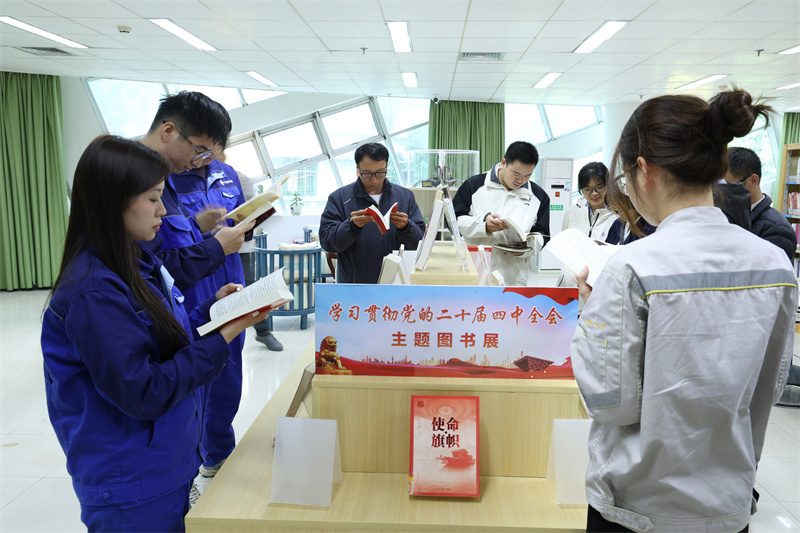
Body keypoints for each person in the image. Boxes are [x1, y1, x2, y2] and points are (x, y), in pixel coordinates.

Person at [571, 90, 796, 533]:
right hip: (727, 500)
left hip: (637, 506)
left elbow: (608, 401)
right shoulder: (774, 263)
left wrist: (590, 316)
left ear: (644, 170)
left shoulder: (634, 265)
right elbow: (768, 388)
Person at [41, 136, 268, 532]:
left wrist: (212, 312)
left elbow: (161, 336)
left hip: (163, 464)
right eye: (153, 198)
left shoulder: (134, 258)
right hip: (131, 481)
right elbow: (145, 390)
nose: (163, 210)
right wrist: (222, 336)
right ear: (113, 200)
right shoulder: (93, 292)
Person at [138, 92, 252, 291]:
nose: (197, 162)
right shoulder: (132, 177)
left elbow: (173, 242)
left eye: (206, 154)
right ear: (168, 131)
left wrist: (196, 226)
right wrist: (216, 248)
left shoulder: (163, 176)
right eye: (198, 150)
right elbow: (150, 268)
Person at [319, 143, 425, 283]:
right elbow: (327, 243)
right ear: (357, 169)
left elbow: (420, 244)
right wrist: (351, 226)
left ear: (386, 167)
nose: (374, 179)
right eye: (367, 173)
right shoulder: (339, 198)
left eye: (380, 172)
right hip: (354, 285)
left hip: (396, 283)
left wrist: (406, 227)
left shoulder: (405, 197)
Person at [453, 141, 550, 286]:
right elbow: (454, 222)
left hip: (514, 274)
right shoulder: (474, 185)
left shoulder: (539, 196)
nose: (520, 180)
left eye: (527, 175)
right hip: (476, 270)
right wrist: (483, 225)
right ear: (503, 163)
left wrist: (525, 249)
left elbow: (543, 235)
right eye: (516, 173)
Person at [235, 167, 284, 351]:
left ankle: (263, 332)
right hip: (213, 247)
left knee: (253, 291)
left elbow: (253, 210)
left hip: (242, 249)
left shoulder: (240, 178)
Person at [724, 146, 796, 262]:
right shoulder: (726, 214)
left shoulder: (777, 230)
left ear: (753, 180)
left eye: (729, 185)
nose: (722, 191)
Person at [561, 162, 615, 241]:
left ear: (608, 185)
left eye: (599, 187)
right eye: (587, 189)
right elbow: (564, 243)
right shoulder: (572, 212)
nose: (594, 193)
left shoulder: (617, 215)